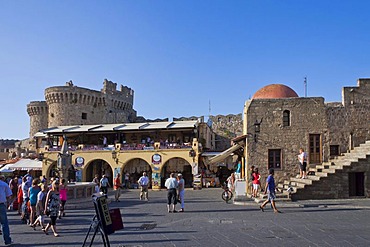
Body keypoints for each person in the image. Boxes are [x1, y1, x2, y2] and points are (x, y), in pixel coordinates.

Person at [0, 175, 13, 245]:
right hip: (1, 204)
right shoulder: (4, 184)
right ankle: (7, 240)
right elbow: (9, 195)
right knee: (4, 223)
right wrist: (8, 203)